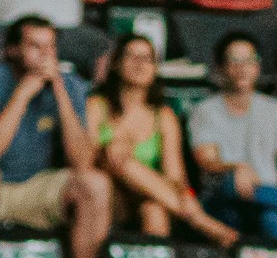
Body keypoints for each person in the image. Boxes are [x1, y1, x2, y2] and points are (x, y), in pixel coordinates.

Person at [0, 18, 112, 258]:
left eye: (51, 47)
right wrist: (22, 94)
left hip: (40, 186)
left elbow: (82, 162)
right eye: (35, 46)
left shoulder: (70, 84)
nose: (45, 55)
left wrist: (59, 90)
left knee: (95, 183)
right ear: (13, 50)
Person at [90, 34, 236, 245]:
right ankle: (201, 222)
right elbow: (86, 161)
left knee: (155, 210)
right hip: (108, 197)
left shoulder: (164, 116)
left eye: (147, 58)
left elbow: (175, 177)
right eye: (132, 56)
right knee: (118, 157)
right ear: (116, 64)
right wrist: (110, 149)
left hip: (148, 197)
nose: (140, 64)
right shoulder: (97, 106)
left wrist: (185, 194)